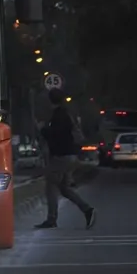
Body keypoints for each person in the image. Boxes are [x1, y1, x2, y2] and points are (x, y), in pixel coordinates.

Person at [35, 88, 97, 229]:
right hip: (69, 156)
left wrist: (42, 129)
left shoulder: (59, 116)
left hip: (61, 156)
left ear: (50, 101)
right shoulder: (66, 113)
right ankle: (87, 210)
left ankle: (51, 219)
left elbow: (56, 135)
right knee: (64, 188)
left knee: (51, 185)